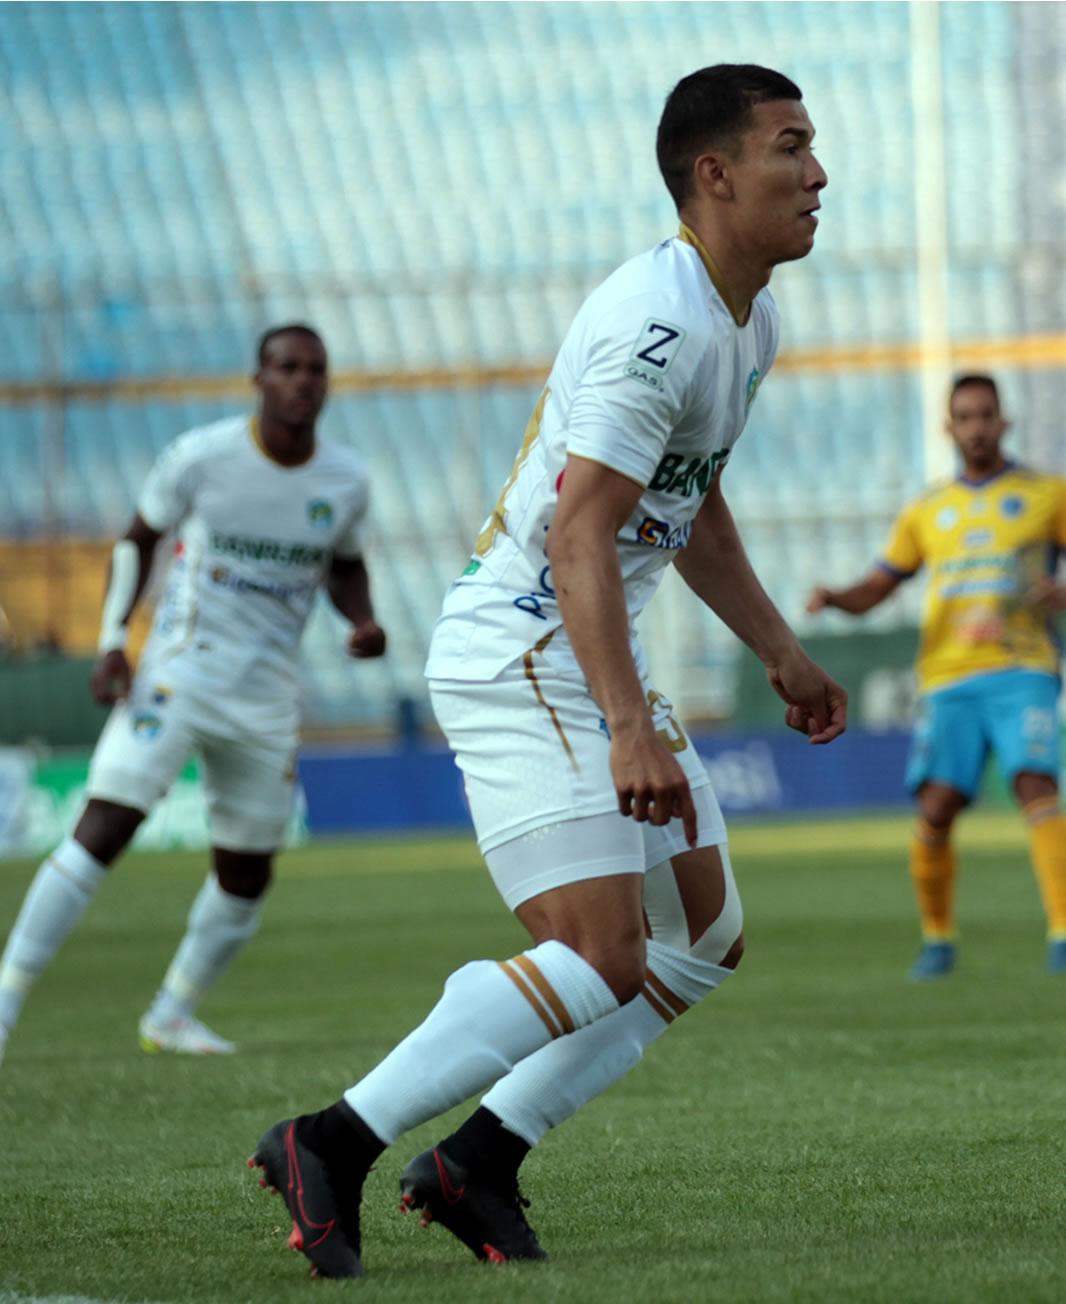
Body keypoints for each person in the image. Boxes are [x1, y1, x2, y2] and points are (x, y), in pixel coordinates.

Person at [249, 64, 844, 1279]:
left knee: (700, 937)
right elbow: (579, 531)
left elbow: (689, 502)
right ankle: (331, 1137)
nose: (820, 172)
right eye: (792, 147)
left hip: (587, 646)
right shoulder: (656, 322)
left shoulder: (749, 315)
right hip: (529, 647)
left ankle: (479, 1159)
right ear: (714, 173)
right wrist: (629, 723)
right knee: (599, 950)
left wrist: (778, 649)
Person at [0, 325, 386, 1066]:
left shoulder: (346, 480)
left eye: (315, 370)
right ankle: (8, 1004)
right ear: (258, 379)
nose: (303, 381)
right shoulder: (203, 458)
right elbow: (137, 539)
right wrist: (115, 638)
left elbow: (343, 564)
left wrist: (363, 618)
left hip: (267, 696)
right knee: (101, 830)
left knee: (247, 873)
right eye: (287, 368)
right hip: (180, 674)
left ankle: (171, 1014)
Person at [807, 373, 1066, 980]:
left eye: (986, 415)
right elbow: (878, 585)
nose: (976, 426)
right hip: (947, 677)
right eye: (965, 417)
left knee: (1034, 784)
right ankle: (938, 939)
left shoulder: (1047, 493)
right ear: (949, 428)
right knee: (938, 806)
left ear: (1004, 422)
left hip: (1024, 667)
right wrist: (836, 597)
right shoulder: (927, 509)